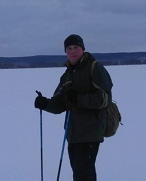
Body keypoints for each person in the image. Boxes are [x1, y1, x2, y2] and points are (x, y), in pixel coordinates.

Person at [34, 34, 113, 181]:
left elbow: (104, 99)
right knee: (80, 174)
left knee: (83, 175)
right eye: (69, 48)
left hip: (90, 132)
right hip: (72, 134)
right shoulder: (67, 75)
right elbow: (59, 103)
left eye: (76, 47)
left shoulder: (95, 68)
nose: (72, 51)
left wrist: (78, 99)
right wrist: (45, 104)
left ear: (82, 49)